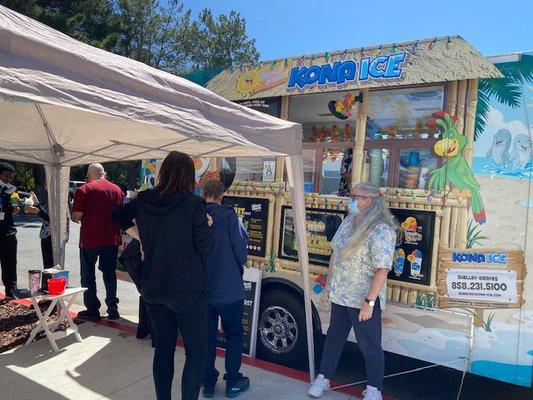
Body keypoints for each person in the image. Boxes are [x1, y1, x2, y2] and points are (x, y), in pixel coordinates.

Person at [111, 151, 213, 400]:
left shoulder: (145, 199)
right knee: (196, 352)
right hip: (187, 289)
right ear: (190, 175)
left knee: (164, 348)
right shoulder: (194, 205)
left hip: (154, 286)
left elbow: (117, 215)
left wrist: (142, 236)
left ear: (163, 172)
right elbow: (206, 247)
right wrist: (207, 225)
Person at [308, 183, 397, 400]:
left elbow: (382, 269)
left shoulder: (381, 229)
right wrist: (328, 287)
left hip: (363, 300)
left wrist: (370, 301)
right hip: (341, 295)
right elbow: (335, 255)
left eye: (355, 197)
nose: (351, 200)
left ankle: (374, 389)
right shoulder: (348, 222)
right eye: (351, 196)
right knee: (334, 338)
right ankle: (323, 377)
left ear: (369, 201)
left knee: (370, 346)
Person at [201, 179, 249, 398]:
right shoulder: (230, 217)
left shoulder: (194, 217)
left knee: (207, 337)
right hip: (230, 288)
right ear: (222, 196)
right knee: (234, 334)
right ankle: (232, 382)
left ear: (204, 195)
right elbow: (241, 252)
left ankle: (208, 383)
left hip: (203, 289)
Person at [71, 163, 124, 320]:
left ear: (88, 174)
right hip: (112, 238)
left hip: (90, 239)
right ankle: (112, 307)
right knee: (109, 273)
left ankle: (93, 309)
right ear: (104, 174)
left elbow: (76, 216)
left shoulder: (84, 189)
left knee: (88, 274)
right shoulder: (117, 190)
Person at [26, 191, 70, 269]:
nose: (46, 185)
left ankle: (52, 281)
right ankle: (49, 280)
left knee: (52, 266)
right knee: (48, 266)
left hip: (53, 236)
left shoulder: (58, 200)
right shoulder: (52, 199)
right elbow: (47, 215)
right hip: (47, 235)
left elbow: (54, 221)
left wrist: (37, 211)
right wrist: (37, 204)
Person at [0, 162, 19, 297]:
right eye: (6, 176)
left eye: (10, 176)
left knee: (10, 263)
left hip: (9, 231)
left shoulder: (12, 189)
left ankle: (11, 290)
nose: (8, 179)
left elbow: (15, 209)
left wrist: (16, 208)